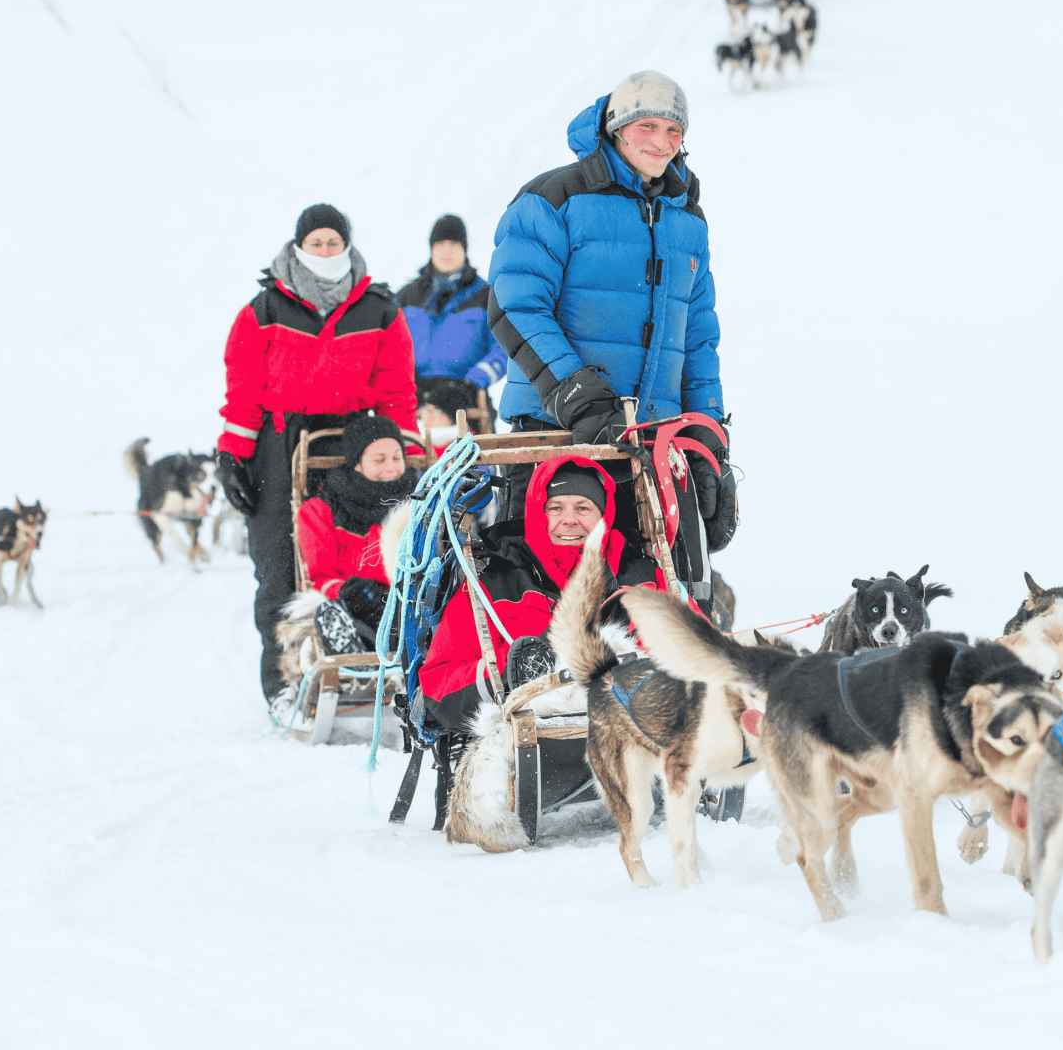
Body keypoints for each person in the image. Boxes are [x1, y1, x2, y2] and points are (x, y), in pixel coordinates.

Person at [486, 72, 735, 603]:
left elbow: (698, 335)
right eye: (648, 126)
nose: (662, 142)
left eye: (674, 130)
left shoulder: (686, 218)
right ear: (616, 128)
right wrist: (579, 396)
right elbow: (516, 305)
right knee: (539, 604)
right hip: (556, 434)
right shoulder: (553, 198)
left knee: (661, 606)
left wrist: (707, 433)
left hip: (652, 443)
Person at [215, 202, 417, 712]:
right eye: (316, 242)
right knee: (279, 565)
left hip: (351, 441)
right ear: (298, 246)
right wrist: (232, 455)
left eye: (333, 242)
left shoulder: (379, 310)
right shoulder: (264, 310)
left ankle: (371, 663)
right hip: (277, 443)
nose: (325, 250)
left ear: (347, 245)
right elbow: (243, 390)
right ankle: (284, 683)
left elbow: (397, 393)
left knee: (361, 554)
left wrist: (407, 454)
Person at [418, 455, 659, 734]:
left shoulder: (645, 581)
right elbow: (438, 687)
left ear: (604, 516)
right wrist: (508, 671)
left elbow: (690, 656)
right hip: (528, 744)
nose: (569, 520)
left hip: (632, 735)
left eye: (583, 508)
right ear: (536, 513)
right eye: (555, 508)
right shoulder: (494, 587)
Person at [296, 413, 417, 654]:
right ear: (357, 463)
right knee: (334, 615)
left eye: (397, 457)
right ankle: (358, 648)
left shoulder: (420, 502)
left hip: (408, 601)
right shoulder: (321, 509)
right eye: (379, 459)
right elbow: (318, 576)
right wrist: (346, 592)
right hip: (350, 603)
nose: (391, 467)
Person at [396, 214, 507, 431]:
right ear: (431, 248)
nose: (447, 251)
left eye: (454, 244)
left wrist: (470, 384)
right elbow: (389, 347)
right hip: (412, 398)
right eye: (440, 244)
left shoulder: (487, 296)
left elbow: (503, 350)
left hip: (468, 398)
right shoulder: (406, 296)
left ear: (464, 249)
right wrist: (409, 382)